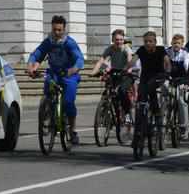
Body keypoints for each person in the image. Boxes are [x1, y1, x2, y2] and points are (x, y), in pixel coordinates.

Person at [28, 15, 85, 145]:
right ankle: (48, 116)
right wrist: (30, 66)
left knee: (68, 103)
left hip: (69, 75)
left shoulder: (69, 42)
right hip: (53, 73)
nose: (57, 33)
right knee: (47, 93)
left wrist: (71, 71)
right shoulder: (49, 41)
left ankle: (72, 130)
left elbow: (79, 60)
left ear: (64, 29)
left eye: (59, 30)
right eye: (54, 30)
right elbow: (37, 54)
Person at [125, 31, 172, 124]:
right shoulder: (141, 50)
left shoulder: (161, 50)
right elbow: (133, 61)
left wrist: (168, 72)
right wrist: (125, 70)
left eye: (150, 41)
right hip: (145, 77)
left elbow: (167, 62)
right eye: (145, 41)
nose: (147, 43)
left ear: (155, 42)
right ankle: (140, 124)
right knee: (141, 97)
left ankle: (156, 113)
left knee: (151, 88)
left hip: (158, 77)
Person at [91, 28, 135, 120]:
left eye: (121, 40)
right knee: (106, 92)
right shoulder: (110, 49)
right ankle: (104, 111)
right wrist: (93, 72)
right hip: (114, 72)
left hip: (125, 73)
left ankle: (127, 113)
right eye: (116, 40)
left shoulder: (126, 49)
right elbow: (101, 61)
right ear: (112, 40)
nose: (119, 42)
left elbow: (129, 62)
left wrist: (127, 70)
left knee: (122, 91)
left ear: (123, 40)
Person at [167, 34, 189, 137]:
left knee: (181, 101)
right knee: (164, 97)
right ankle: (163, 121)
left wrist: (187, 82)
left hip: (182, 80)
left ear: (182, 44)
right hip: (170, 79)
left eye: (178, 43)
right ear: (171, 43)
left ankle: (183, 127)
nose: (176, 45)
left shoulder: (185, 54)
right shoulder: (167, 52)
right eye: (174, 43)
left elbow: (187, 67)